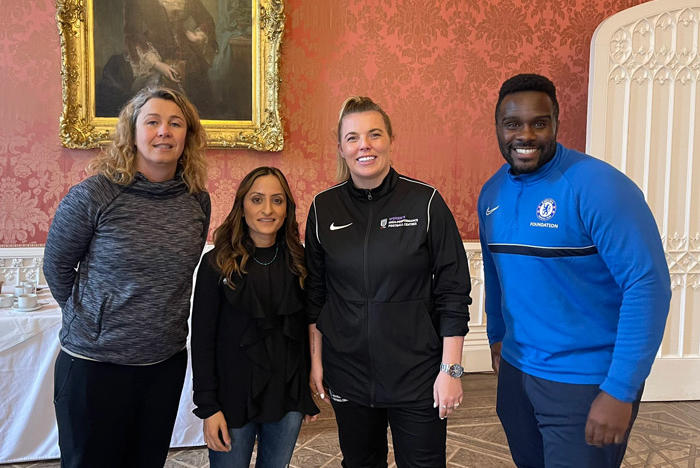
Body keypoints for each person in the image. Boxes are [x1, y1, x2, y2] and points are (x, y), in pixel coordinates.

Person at [478, 73, 671, 467]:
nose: (525, 135)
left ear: (556, 124)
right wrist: (496, 334)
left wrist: (620, 389)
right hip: (518, 374)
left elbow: (648, 286)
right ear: (498, 127)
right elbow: (497, 274)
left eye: (539, 122)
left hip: (585, 382)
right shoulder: (492, 192)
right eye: (513, 124)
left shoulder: (600, 187)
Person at [43, 87, 211, 467]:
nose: (164, 131)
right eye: (152, 122)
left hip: (163, 365)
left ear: (188, 136)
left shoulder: (196, 200)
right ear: (132, 132)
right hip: (94, 366)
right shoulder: (94, 195)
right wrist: (91, 321)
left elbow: (183, 272)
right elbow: (56, 267)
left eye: (175, 123)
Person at [305, 96, 472, 467]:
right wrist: (316, 361)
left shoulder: (426, 202)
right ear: (341, 148)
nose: (364, 144)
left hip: (417, 374)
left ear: (390, 140)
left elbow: (453, 292)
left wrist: (451, 370)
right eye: (352, 137)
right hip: (348, 373)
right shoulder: (322, 208)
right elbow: (316, 295)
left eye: (374, 134)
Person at [191, 166, 319, 467]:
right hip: (231, 398)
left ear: (287, 208)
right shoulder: (216, 263)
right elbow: (202, 341)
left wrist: (303, 393)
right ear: (242, 205)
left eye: (277, 200)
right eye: (257, 199)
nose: (267, 209)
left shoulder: (301, 263)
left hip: (285, 396)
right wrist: (208, 407)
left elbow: (303, 334)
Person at [123, 0, 218, 116]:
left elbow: (206, 19)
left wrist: (197, 36)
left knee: (200, 108)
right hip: (156, 58)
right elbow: (133, 34)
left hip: (190, 58)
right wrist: (158, 64)